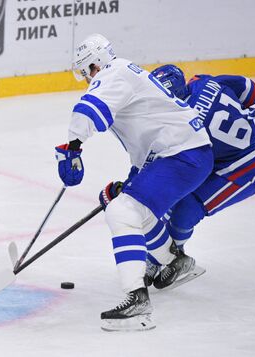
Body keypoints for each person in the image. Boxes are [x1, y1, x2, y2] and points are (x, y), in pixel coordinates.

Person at [55, 34, 213, 331]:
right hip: (186, 153)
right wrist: (126, 187)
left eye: (85, 71)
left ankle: (137, 301)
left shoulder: (114, 73)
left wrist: (72, 148)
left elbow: (87, 112)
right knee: (131, 208)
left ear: (95, 64)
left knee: (121, 213)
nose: (86, 78)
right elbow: (146, 145)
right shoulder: (127, 73)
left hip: (182, 155)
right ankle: (176, 263)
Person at [145, 65, 255, 288]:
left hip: (251, 163)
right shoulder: (201, 81)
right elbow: (251, 91)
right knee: (177, 195)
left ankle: (169, 259)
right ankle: (159, 255)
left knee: (188, 206)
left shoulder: (184, 126)